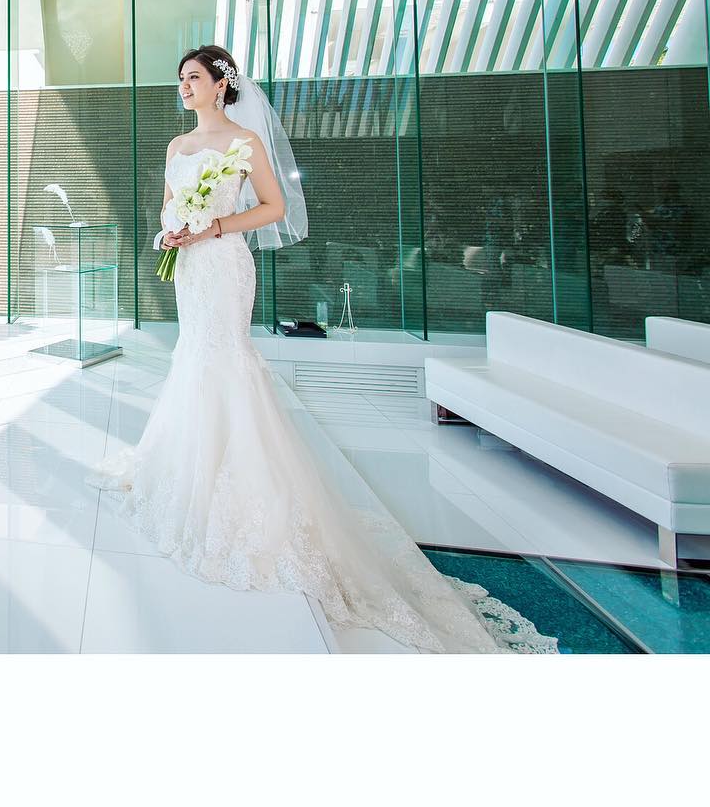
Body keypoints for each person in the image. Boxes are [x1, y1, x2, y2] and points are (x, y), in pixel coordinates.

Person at [89, 44, 555, 654]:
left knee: (225, 360)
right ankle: (187, 468)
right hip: (191, 268)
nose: (184, 86)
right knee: (194, 359)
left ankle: (242, 485)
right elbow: (168, 205)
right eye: (181, 78)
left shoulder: (245, 143)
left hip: (224, 265)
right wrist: (172, 229)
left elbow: (275, 208)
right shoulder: (177, 146)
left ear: (221, 84)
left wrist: (214, 226)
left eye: (194, 77)